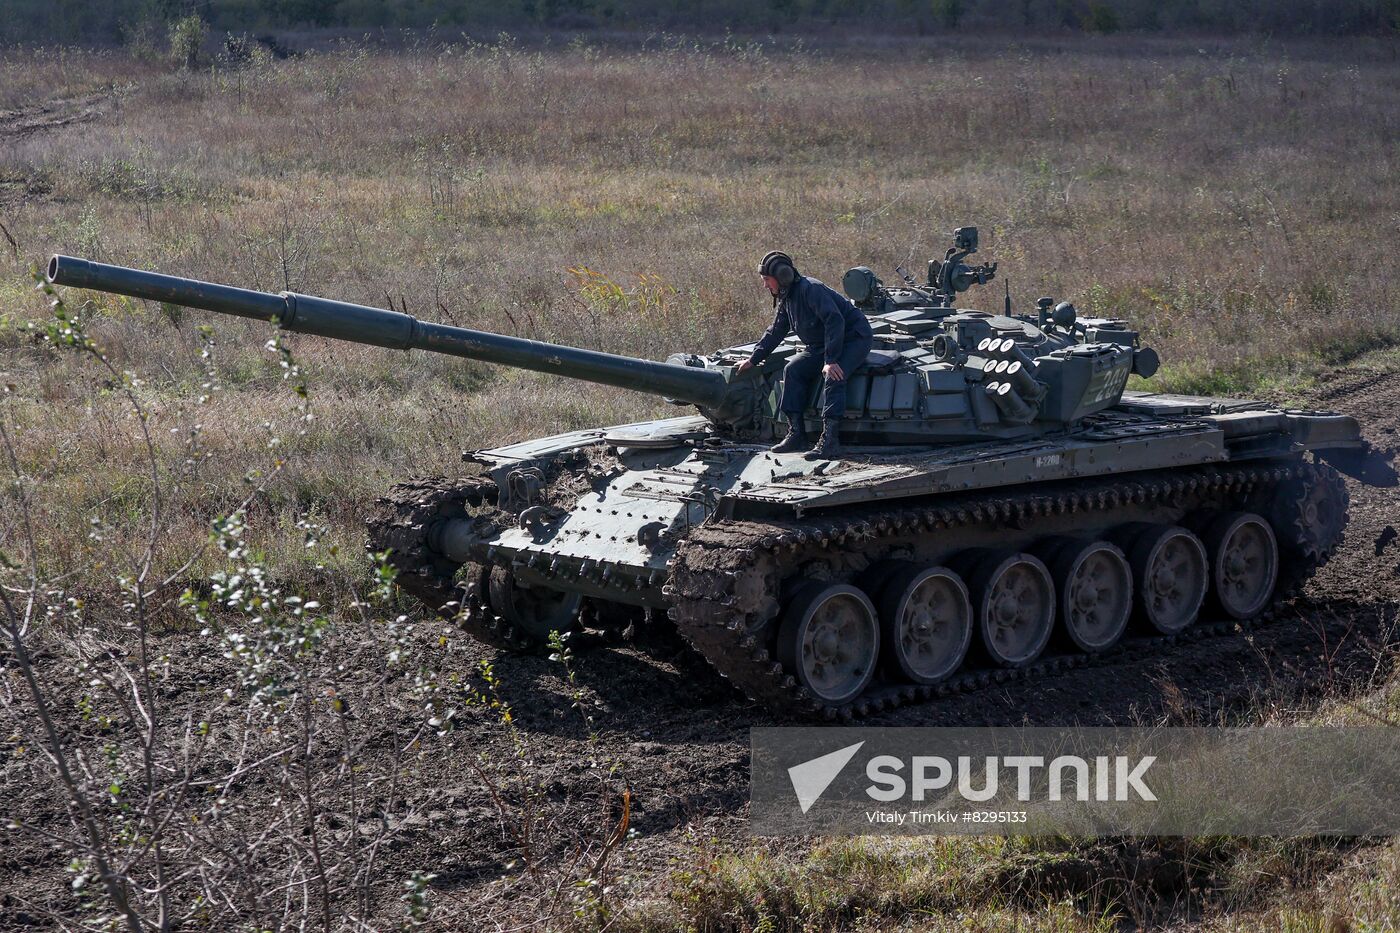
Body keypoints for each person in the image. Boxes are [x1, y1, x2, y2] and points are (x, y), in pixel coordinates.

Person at [735, 251, 873, 458]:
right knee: (793, 370)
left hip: (853, 338)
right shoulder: (787, 295)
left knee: (834, 376)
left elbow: (835, 321)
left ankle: (830, 441)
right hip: (822, 342)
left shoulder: (811, 290)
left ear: (781, 276)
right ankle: (796, 433)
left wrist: (831, 361)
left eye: (766, 280)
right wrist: (753, 359)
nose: (765, 285)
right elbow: (776, 330)